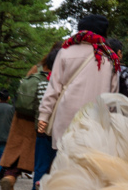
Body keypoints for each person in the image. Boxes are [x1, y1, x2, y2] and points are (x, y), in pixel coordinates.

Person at [37, 14, 120, 151]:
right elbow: (113, 98)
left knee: (66, 164)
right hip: (96, 123)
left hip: (66, 121)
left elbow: (54, 88)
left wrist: (44, 116)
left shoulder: (65, 52)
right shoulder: (110, 58)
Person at [0, 60, 47, 190]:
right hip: (40, 118)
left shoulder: (36, 68)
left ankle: (10, 177)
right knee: (43, 156)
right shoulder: (57, 67)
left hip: (21, 116)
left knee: (18, 153)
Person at [29, 43, 58, 190]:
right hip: (59, 128)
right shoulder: (63, 83)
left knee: (40, 164)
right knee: (57, 164)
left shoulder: (41, 81)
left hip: (41, 127)